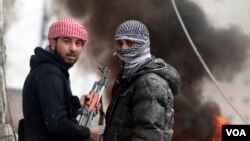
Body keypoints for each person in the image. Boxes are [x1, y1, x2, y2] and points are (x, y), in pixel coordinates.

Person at [18, 18, 100, 141]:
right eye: (66, 41)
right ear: (52, 43)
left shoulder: (53, 71)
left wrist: (78, 107)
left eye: (78, 43)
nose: (73, 48)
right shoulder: (49, 74)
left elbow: (50, 112)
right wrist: (89, 133)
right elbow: (57, 124)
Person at [103, 20, 181, 141]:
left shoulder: (149, 83)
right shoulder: (129, 76)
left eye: (130, 43)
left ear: (143, 44)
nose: (123, 49)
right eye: (120, 43)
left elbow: (147, 135)